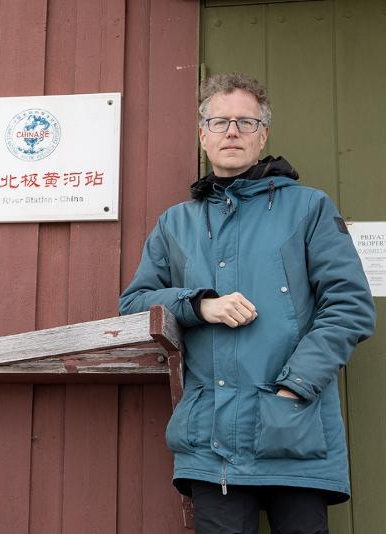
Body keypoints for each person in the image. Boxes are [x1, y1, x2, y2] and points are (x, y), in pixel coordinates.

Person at [119, 73, 375, 534]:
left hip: (295, 431)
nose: (232, 131)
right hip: (210, 440)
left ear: (263, 135)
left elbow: (350, 305)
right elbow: (135, 304)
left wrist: (295, 388)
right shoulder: (176, 223)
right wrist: (198, 304)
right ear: (203, 135)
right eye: (219, 121)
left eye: (245, 121)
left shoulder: (309, 209)